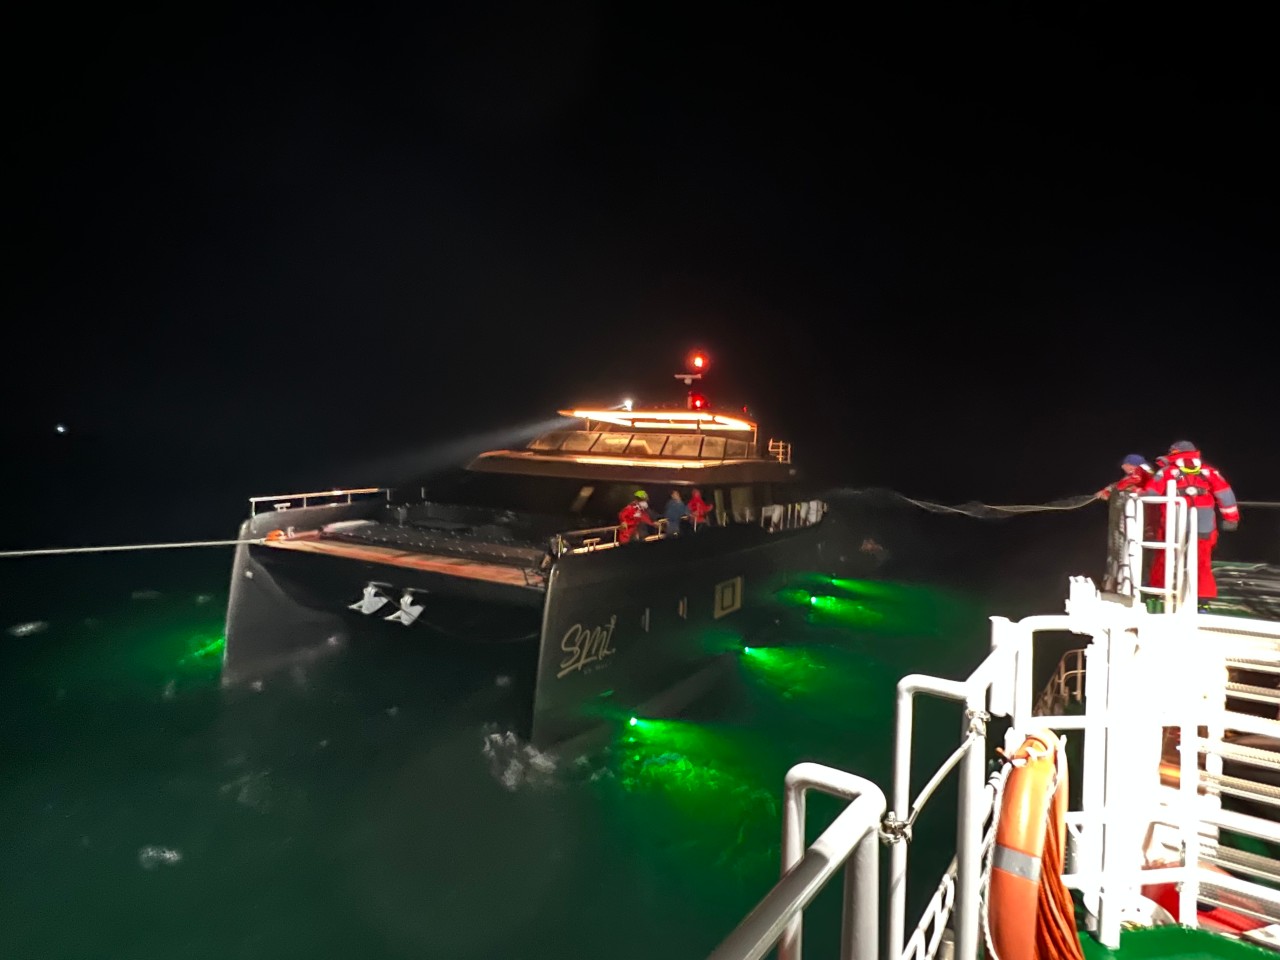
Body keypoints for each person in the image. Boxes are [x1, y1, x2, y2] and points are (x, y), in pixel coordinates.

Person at [1144, 441, 1240, 604]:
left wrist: (1138, 493)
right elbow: (1226, 495)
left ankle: (1157, 592)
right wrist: (1231, 519)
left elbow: (1151, 493)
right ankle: (1203, 599)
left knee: (1165, 557)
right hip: (1203, 526)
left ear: (1173, 453)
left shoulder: (1168, 471)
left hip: (1173, 526)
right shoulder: (1209, 472)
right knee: (1202, 562)